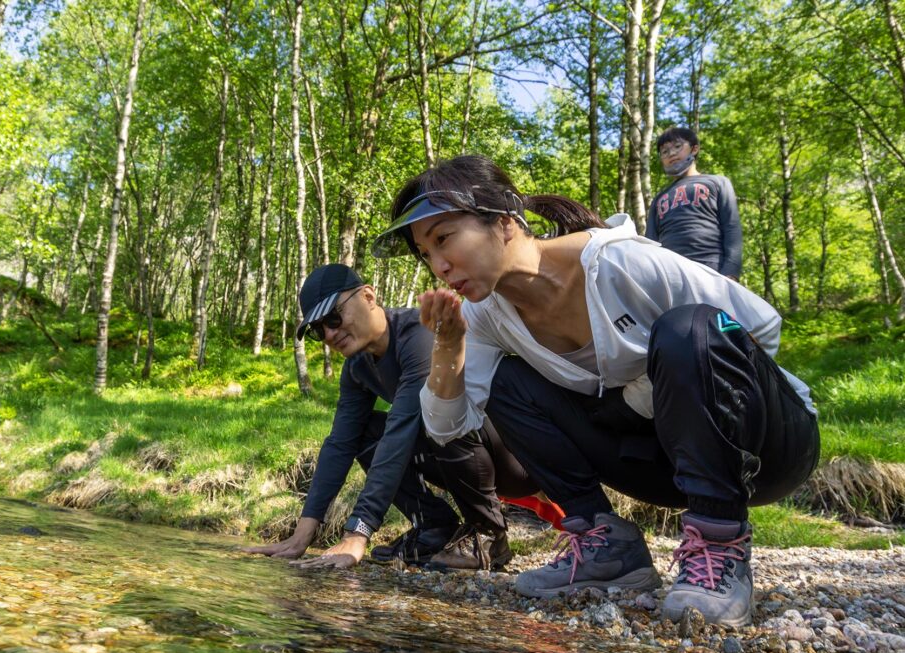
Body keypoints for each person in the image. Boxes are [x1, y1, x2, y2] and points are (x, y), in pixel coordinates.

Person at [371, 156, 819, 627]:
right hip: (667, 465)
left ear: (503, 223)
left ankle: (719, 543)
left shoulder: (621, 262)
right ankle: (606, 545)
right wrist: (448, 344)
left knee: (689, 327)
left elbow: (759, 326)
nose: (438, 265)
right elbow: (447, 430)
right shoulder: (487, 318)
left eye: (444, 239)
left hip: (771, 446)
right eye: (424, 254)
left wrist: (640, 397)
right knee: (507, 382)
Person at [245, 263, 544, 571]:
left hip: (515, 461)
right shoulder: (357, 368)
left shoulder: (419, 337)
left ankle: (488, 534)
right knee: (364, 432)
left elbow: (400, 433)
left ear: (369, 296)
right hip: (463, 457)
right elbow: (340, 444)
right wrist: (301, 535)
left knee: (432, 414)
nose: (330, 334)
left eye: (334, 317)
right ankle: (434, 528)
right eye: (318, 330)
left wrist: (357, 532)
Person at [647, 127, 742, 280]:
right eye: (664, 152)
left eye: (677, 146)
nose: (671, 154)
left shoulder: (717, 183)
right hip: (670, 274)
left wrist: (731, 271)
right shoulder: (659, 198)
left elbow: (732, 228)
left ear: (694, 149)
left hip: (712, 269)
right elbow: (651, 242)